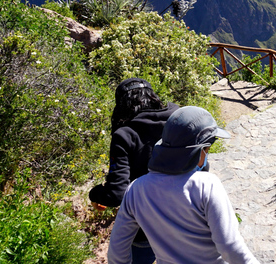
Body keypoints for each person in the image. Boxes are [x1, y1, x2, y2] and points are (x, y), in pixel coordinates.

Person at [107, 106, 259, 264]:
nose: (207, 154)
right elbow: (230, 247)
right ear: (198, 150)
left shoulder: (135, 190)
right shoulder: (206, 186)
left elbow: (116, 253)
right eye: (207, 149)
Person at [90, 78, 179, 264]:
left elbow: (116, 194)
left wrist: (96, 194)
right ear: (152, 97)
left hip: (145, 226)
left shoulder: (125, 135)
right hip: (181, 218)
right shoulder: (177, 119)